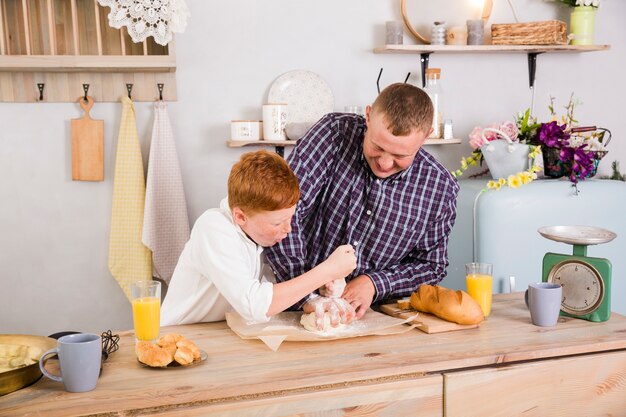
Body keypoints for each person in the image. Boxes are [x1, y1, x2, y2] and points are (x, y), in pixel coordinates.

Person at [265, 82, 460, 320]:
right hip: (291, 309)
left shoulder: (440, 188)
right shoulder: (333, 135)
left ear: (427, 136)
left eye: (401, 155)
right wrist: (309, 296)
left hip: (376, 319)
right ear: (368, 116)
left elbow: (431, 266)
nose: (385, 163)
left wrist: (375, 283)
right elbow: (283, 213)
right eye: (377, 147)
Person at [161, 150, 357, 326]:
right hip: (178, 336)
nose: (288, 229)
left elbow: (280, 291)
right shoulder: (213, 228)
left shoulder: (260, 236)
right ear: (240, 216)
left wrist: (319, 291)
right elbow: (255, 305)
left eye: (290, 218)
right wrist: (327, 270)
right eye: (277, 223)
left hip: (220, 334)